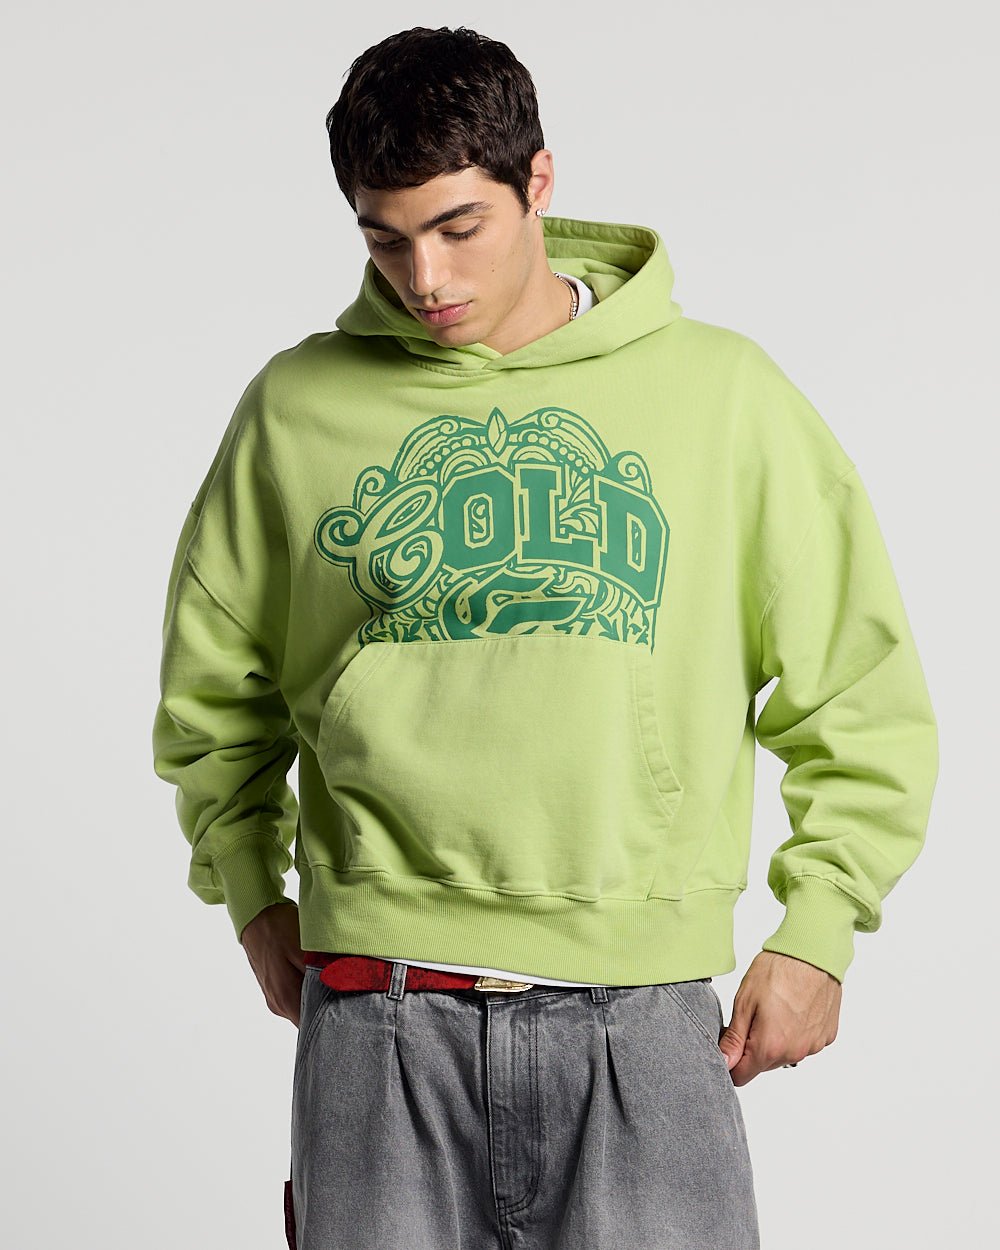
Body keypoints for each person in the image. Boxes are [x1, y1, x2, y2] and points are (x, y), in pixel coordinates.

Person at [151, 24, 939, 1250]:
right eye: (384, 237)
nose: (425, 276)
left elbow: (860, 692)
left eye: (458, 226)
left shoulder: (723, 396)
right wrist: (254, 896)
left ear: (539, 182)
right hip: (378, 1015)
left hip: (642, 1014)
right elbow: (212, 696)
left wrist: (821, 928)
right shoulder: (295, 408)